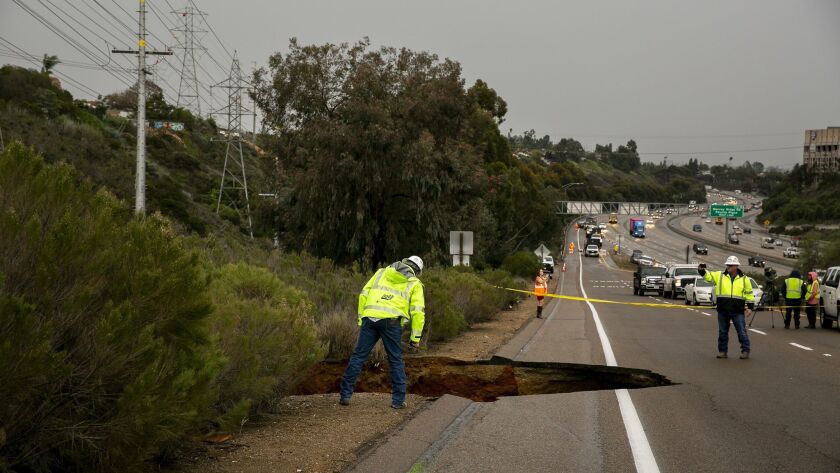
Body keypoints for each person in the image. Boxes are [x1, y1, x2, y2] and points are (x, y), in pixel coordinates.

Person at [339, 256, 425, 409]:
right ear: (417, 271)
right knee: (395, 360)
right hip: (391, 322)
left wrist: (361, 319)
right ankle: (398, 401)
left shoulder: (380, 273)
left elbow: (364, 294)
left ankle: (345, 395)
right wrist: (415, 338)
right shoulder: (414, 283)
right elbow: (418, 312)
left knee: (358, 356)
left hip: (369, 318)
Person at [699, 256, 755, 359]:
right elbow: (708, 276)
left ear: (736, 266)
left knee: (741, 331)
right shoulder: (720, 276)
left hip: (737, 310)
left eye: (730, 265)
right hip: (723, 310)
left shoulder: (744, 279)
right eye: (727, 265)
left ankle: (745, 350)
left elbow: (749, 294)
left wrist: (750, 307)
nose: (728, 266)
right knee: (722, 332)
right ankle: (722, 351)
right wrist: (701, 270)